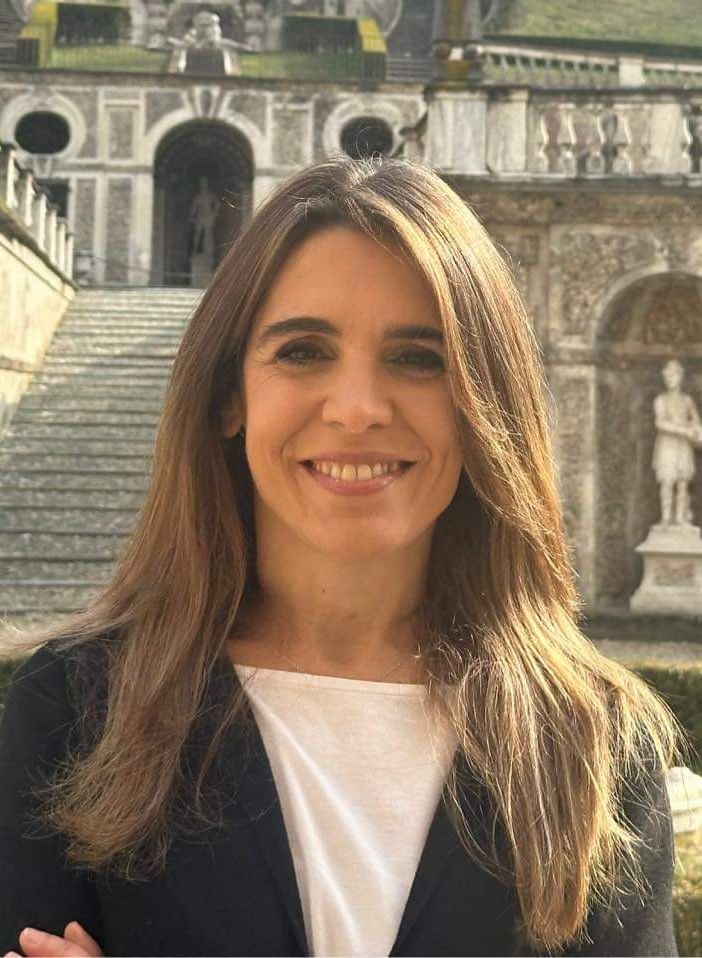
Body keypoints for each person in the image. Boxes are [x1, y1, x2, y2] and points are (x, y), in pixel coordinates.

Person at [0, 156, 684, 958]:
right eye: (303, 351)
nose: (358, 409)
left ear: (483, 405)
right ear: (229, 395)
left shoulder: (593, 741)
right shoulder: (78, 709)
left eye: (419, 358)